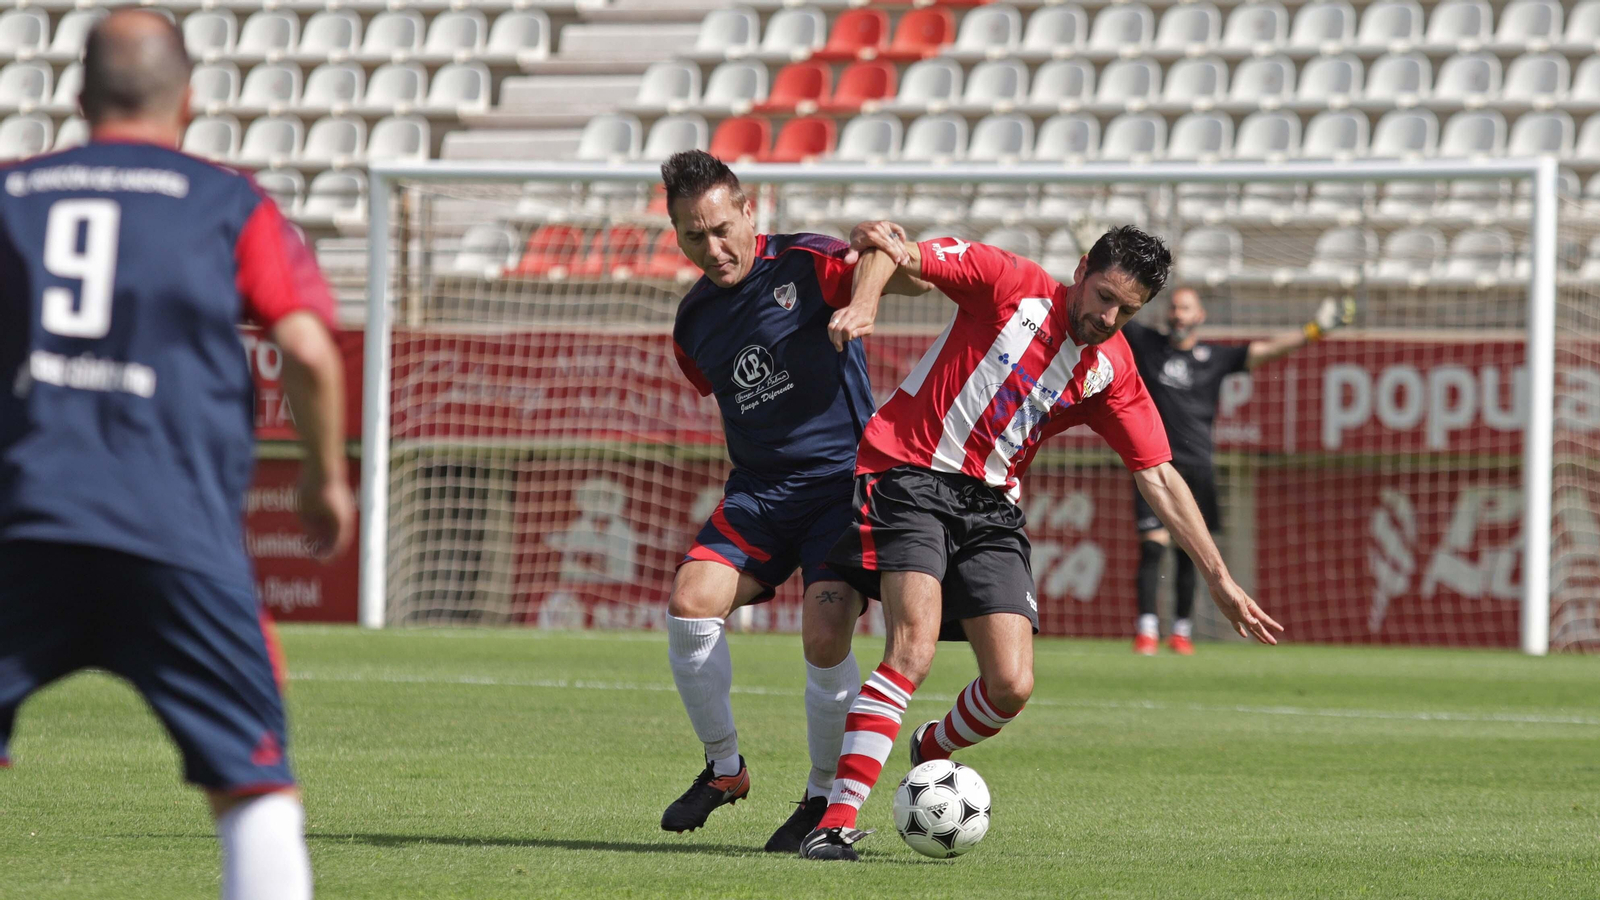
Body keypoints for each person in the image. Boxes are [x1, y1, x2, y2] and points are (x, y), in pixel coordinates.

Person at [0, 11, 354, 900]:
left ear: (77, 99)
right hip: (176, 531)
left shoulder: (11, 193)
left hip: (21, 521)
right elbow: (309, 351)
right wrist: (324, 478)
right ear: (190, 101)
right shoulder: (228, 200)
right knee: (254, 786)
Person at [798, 223, 1284, 861]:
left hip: (992, 506)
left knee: (1012, 686)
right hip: (910, 473)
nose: (1107, 317)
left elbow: (1159, 474)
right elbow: (895, 248)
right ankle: (833, 822)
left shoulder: (1111, 368)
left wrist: (1218, 576)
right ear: (1081, 268)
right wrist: (864, 305)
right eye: (1104, 296)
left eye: (1126, 310)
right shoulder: (1008, 282)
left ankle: (929, 752)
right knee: (911, 650)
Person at [657, 151, 931, 851]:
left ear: (751, 211)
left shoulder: (805, 262)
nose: (713, 248)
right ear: (676, 233)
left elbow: (883, 257)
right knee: (691, 603)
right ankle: (724, 770)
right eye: (694, 236)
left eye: (722, 227)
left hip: (842, 486)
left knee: (823, 631)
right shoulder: (692, 326)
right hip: (760, 492)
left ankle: (819, 797)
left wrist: (864, 298)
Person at [1122, 287, 1353, 655]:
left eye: (1185, 309)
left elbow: (1264, 352)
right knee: (1152, 548)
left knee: (1189, 550)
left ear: (1200, 316)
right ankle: (1147, 630)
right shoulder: (1148, 344)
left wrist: (1315, 330)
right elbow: (1116, 313)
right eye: (1174, 309)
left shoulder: (1213, 357)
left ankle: (1181, 632)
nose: (1178, 315)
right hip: (1154, 463)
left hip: (1198, 467)